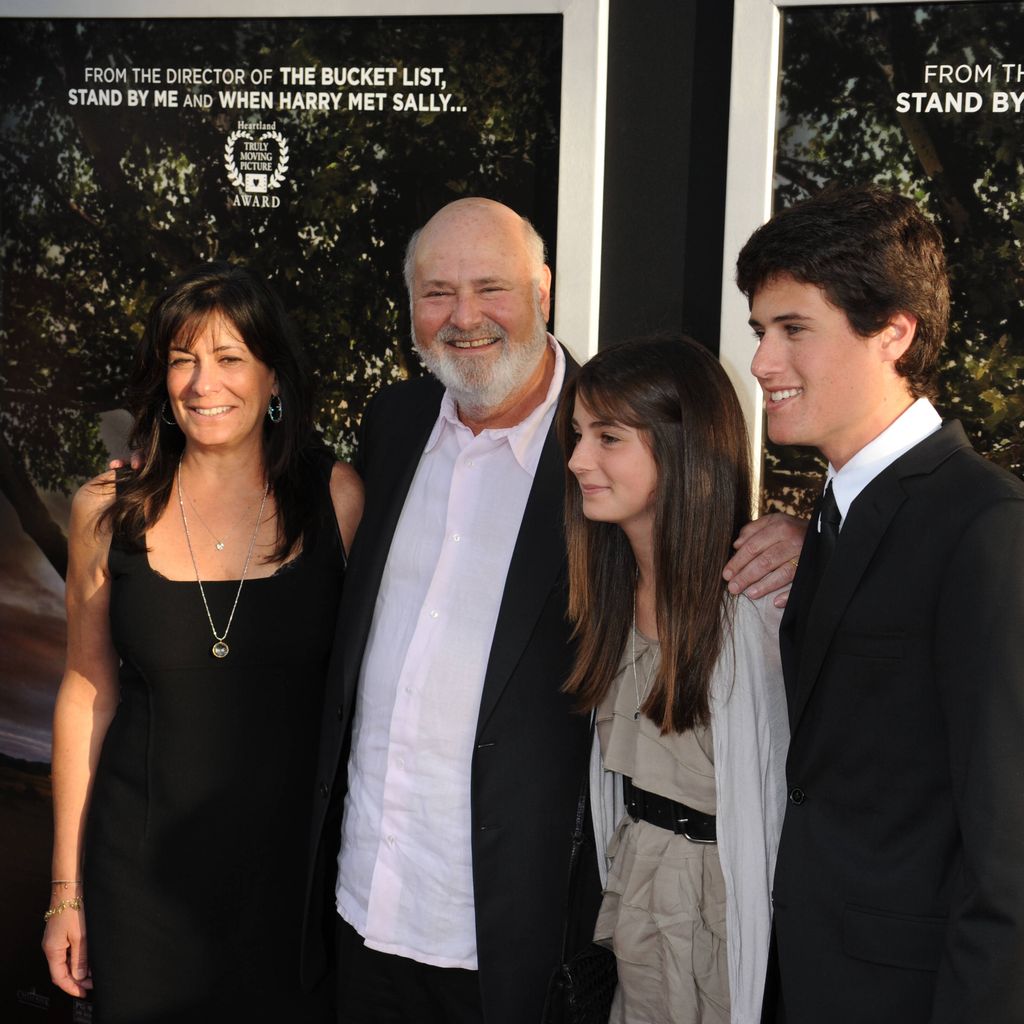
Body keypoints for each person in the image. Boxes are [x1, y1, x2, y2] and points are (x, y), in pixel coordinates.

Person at [301, 197, 804, 1024]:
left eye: (490, 287)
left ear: (542, 289)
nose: (464, 318)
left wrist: (806, 537)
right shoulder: (392, 424)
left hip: (521, 942)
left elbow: (696, 528)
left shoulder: (608, 444)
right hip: (364, 911)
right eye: (436, 293)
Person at [42, 262, 363, 1023]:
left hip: (294, 891)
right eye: (183, 360)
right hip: (140, 884)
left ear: (273, 378)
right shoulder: (105, 511)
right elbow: (86, 691)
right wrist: (65, 892)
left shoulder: (338, 499)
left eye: (228, 359)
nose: (201, 383)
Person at [736, 184, 1024, 1023]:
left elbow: (1008, 858)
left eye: (794, 330)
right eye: (762, 332)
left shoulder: (985, 526)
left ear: (893, 331)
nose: (762, 364)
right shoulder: (834, 514)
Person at [559, 336, 789, 1023]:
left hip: (727, 917)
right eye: (577, 434)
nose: (576, 460)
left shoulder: (756, 607)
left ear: (680, 445)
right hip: (634, 897)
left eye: (608, 437)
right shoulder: (607, 596)